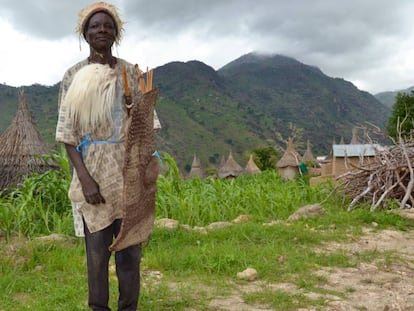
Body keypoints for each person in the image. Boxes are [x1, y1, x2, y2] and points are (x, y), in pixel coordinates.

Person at [55, 2, 161, 310]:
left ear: (116, 32)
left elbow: (146, 126)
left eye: (108, 25)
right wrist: (86, 180)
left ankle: (129, 307)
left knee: (130, 252)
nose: (102, 30)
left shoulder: (130, 72)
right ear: (84, 33)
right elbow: (67, 135)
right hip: (94, 174)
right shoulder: (73, 75)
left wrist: (143, 171)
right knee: (97, 255)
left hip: (129, 174)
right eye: (95, 26)